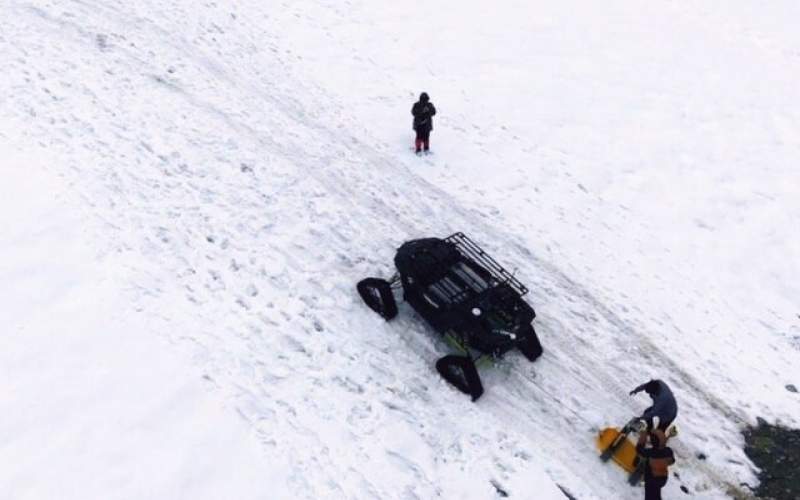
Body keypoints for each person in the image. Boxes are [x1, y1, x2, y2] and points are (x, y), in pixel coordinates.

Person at [636, 429, 675, 500]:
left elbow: (639, 450)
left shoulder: (651, 452)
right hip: (663, 479)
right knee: (656, 496)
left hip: (652, 481)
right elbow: (672, 461)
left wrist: (643, 435)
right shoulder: (668, 451)